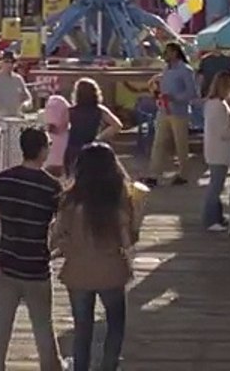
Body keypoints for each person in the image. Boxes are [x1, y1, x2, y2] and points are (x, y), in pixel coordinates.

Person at [51, 143, 141, 371]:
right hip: (112, 270)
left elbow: (56, 237)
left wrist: (68, 247)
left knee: (82, 328)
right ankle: (109, 366)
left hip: (77, 272)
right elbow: (128, 241)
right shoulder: (118, 200)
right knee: (115, 325)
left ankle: (80, 367)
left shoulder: (70, 200)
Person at [0, 127, 64, 371]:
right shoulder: (52, 187)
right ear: (42, 151)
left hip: (6, 265)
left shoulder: (3, 179)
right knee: (43, 327)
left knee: (1, 326)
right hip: (37, 267)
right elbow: (60, 229)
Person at [143, 42, 197, 187]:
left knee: (181, 144)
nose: (165, 55)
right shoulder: (166, 69)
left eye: (167, 52)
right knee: (158, 143)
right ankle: (153, 174)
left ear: (175, 53)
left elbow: (192, 92)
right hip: (163, 110)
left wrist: (175, 98)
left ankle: (183, 173)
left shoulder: (186, 70)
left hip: (179, 112)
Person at [201, 71, 230, 231]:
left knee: (217, 185)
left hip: (214, 150)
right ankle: (210, 220)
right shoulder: (218, 106)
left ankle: (217, 217)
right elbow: (224, 132)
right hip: (218, 151)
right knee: (215, 187)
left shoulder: (212, 103)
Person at [64, 78, 123, 174]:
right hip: (93, 148)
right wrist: (100, 138)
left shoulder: (70, 111)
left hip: (73, 148)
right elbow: (117, 125)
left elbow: (62, 127)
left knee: (73, 176)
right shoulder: (100, 110)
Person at [0, 50, 32, 118]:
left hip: (16, 117)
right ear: (1, 62)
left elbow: (27, 97)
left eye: (13, 62)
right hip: (0, 118)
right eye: (7, 61)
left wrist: (26, 104)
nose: (10, 65)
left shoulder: (18, 79)